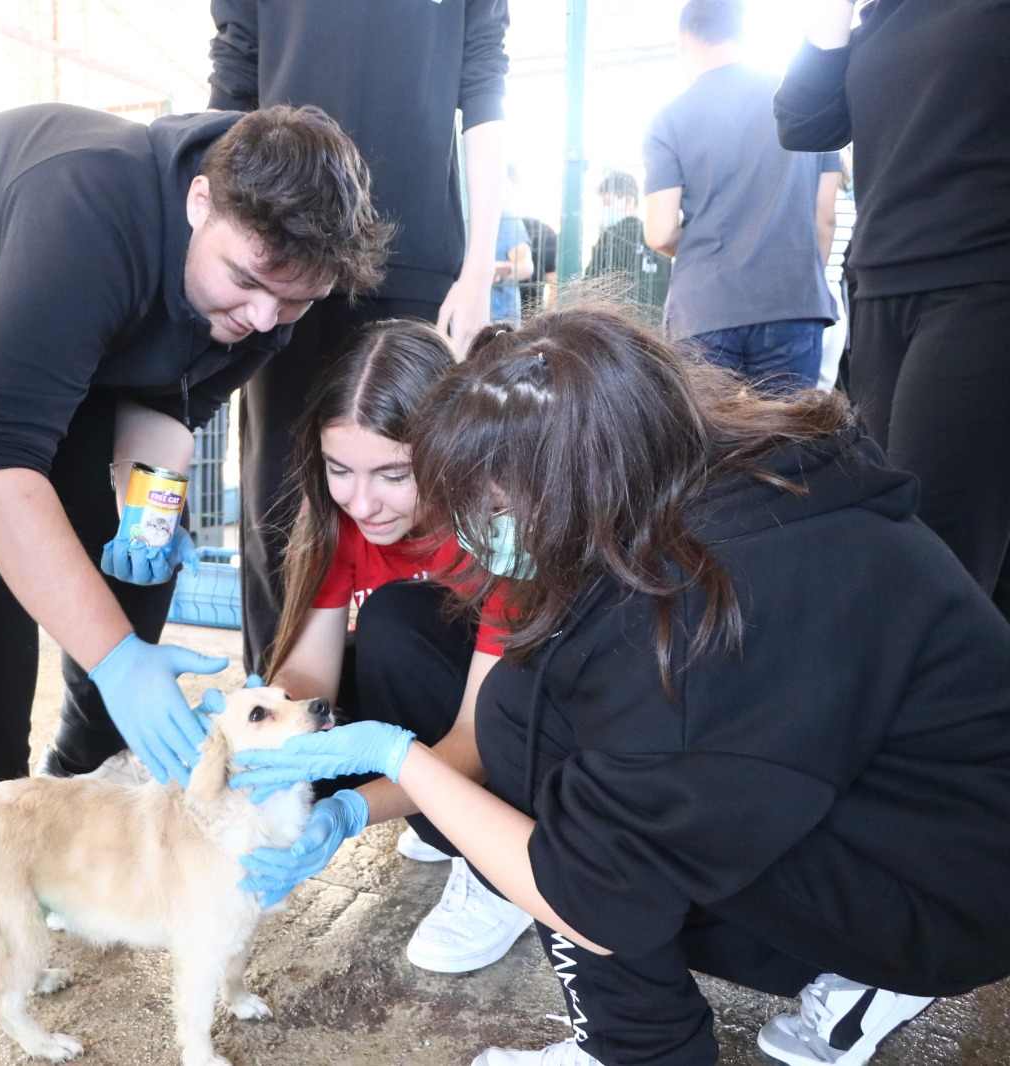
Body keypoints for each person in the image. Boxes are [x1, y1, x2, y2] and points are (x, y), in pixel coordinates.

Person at [230, 305, 1010, 1066]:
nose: (479, 533)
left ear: (576, 481)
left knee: (541, 768)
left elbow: (593, 900)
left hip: (944, 899)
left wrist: (396, 759)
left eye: (494, 508)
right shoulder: (711, 494)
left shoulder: (718, 605)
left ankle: (639, 1050)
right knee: (528, 713)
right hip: (893, 823)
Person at [0, 103, 388, 802]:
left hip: (54, 321)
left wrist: (145, 515)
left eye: (293, 302)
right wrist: (116, 659)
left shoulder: (267, 290)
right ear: (200, 201)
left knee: (147, 528)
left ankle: (83, 774)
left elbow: (169, 405)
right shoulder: (89, 214)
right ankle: (1, 812)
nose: (264, 319)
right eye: (246, 282)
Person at [207, 0, 513, 680]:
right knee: (284, 502)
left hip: (419, 254)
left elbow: (484, 82)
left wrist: (477, 267)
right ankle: (277, 711)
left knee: (428, 494)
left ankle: (439, 712)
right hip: (280, 244)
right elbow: (233, 82)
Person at [242, 318, 533, 977]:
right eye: (339, 469)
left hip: (515, 727)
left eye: (394, 474)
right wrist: (254, 733)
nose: (362, 502)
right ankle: (437, 818)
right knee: (313, 694)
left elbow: (477, 737)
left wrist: (353, 810)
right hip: (438, 706)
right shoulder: (341, 518)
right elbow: (309, 671)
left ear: (450, 448)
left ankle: (497, 864)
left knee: (395, 621)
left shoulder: (502, 529)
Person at [776, 0, 1010, 620]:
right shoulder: (881, 14)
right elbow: (802, 119)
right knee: (923, 546)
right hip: (880, 292)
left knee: (925, 559)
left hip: (980, 283)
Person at [643, 0, 841, 391]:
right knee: (786, 427)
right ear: (743, 32)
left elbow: (660, 232)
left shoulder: (669, 118)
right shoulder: (803, 103)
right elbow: (826, 217)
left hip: (704, 308)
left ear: (684, 39)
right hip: (792, 300)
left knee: (709, 429)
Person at [584, 170, 670, 326]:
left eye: (607, 204)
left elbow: (589, 287)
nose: (604, 210)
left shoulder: (609, 237)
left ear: (629, 201)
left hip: (618, 328)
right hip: (656, 326)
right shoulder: (656, 236)